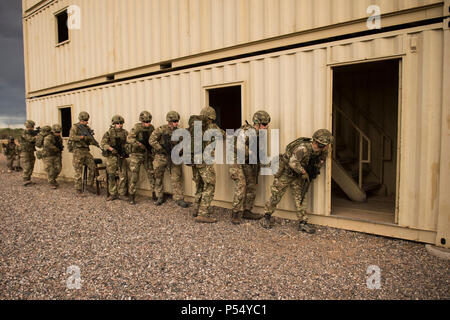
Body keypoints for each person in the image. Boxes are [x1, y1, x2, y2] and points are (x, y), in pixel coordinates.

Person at [261, 129, 334, 234]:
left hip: (298, 175)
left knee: (300, 197)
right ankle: (266, 216)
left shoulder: (322, 151)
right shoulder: (303, 148)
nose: (328, 147)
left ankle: (303, 222)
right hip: (287, 172)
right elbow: (292, 162)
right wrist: (304, 172)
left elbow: (320, 161)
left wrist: (314, 169)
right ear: (321, 144)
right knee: (276, 195)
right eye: (327, 144)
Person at [229, 111, 271, 225]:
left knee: (252, 185)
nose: (266, 127)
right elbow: (238, 147)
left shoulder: (259, 134)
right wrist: (250, 152)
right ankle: (235, 213)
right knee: (241, 185)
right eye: (264, 124)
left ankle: (247, 211)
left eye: (267, 124)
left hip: (248, 162)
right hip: (237, 161)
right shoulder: (246, 131)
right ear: (257, 123)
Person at [191, 107, 225, 223]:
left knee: (199, 185)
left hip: (195, 160)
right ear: (211, 118)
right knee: (210, 185)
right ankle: (203, 214)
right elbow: (224, 135)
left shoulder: (195, 127)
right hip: (205, 161)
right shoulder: (212, 127)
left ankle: (196, 209)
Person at [149, 111, 188, 208]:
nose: (176, 123)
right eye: (174, 121)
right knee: (158, 177)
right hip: (161, 157)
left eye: (177, 121)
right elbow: (152, 140)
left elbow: (183, 144)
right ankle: (159, 196)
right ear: (169, 121)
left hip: (174, 157)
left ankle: (179, 198)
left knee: (176, 178)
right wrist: (160, 148)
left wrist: (179, 151)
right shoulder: (161, 129)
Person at [127, 111, 156, 205]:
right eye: (146, 122)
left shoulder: (151, 128)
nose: (148, 124)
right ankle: (131, 196)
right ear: (142, 121)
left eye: (149, 121)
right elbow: (129, 139)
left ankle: (155, 193)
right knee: (134, 176)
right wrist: (138, 144)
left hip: (147, 154)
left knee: (151, 174)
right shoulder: (137, 127)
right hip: (136, 154)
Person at [68, 111, 98, 195]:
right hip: (78, 150)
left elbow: (89, 138)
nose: (86, 122)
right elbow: (72, 137)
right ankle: (78, 189)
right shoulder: (75, 127)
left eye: (87, 120)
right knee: (78, 170)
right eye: (84, 120)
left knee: (93, 167)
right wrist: (82, 137)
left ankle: (89, 185)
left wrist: (93, 142)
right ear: (80, 120)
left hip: (85, 150)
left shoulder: (87, 128)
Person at [101, 115, 129, 201]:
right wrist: (111, 149)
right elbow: (103, 144)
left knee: (123, 175)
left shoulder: (125, 133)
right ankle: (112, 194)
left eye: (121, 123)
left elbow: (129, 142)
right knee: (111, 175)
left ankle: (121, 193)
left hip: (121, 156)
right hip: (111, 157)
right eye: (118, 123)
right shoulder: (108, 133)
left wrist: (126, 150)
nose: (120, 125)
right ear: (114, 124)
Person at [42, 124, 64, 189]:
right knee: (50, 170)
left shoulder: (59, 137)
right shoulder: (48, 137)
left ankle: (53, 179)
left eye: (59, 132)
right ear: (53, 131)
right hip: (48, 156)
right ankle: (51, 182)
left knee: (58, 169)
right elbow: (47, 144)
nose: (58, 133)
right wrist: (55, 148)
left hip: (56, 155)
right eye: (56, 132)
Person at [18, 120, 38, 186]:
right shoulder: (24, 133)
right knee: (27, 165)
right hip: (25, 152)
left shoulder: (30, 133)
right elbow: (31, 139)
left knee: (31, 164)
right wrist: (38, 136)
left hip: (30, 151)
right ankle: (25, 180)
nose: (32, 128)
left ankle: (28, 179)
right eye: (32, 126)